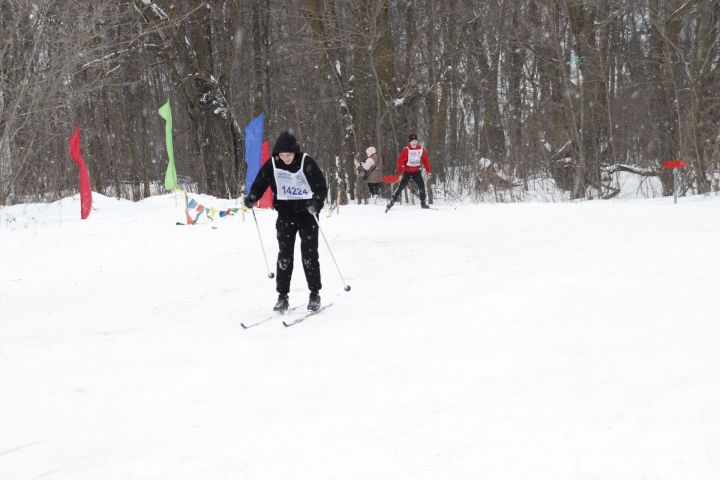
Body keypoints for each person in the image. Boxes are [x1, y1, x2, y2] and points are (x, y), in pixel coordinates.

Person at [244, 131, 328, 312]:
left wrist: (316, 204)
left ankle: (314, 293)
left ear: (295, 152)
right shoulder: (273, 164)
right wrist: (252, 196)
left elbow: (321, 186)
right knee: (284, 255)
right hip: (285, 215)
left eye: (288, 155)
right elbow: (260, 183)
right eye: (281, 155)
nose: (285, 158)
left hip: (307, 215)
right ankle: (282, 296)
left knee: (309, 255)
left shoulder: (306, 162)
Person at [386, 133, 432, 211]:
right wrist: (400, 174)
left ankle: (423, 203)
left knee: (421, 186)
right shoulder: (406, 150)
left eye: (415, 141)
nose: (414, 143)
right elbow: (400, 162)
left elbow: (425, 161)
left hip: (417, 172)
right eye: (412, 141)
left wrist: (428, 171)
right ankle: (392, 202)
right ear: (409, 142)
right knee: (401, 187)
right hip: (407, 172)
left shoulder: (421, 149)